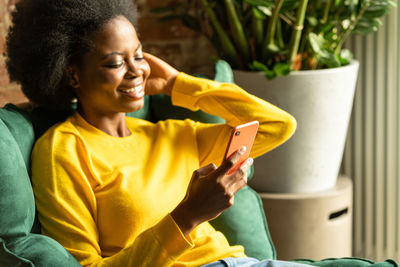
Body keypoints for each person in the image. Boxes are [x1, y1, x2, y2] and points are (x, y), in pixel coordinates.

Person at [6, 0, 308, 266]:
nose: (136, 70)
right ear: (73, 74)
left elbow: (277, 126)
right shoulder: (64, 150)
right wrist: (188, 215)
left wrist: (177, 84)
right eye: (115, 62)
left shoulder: (174, 135)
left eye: (138, 56)